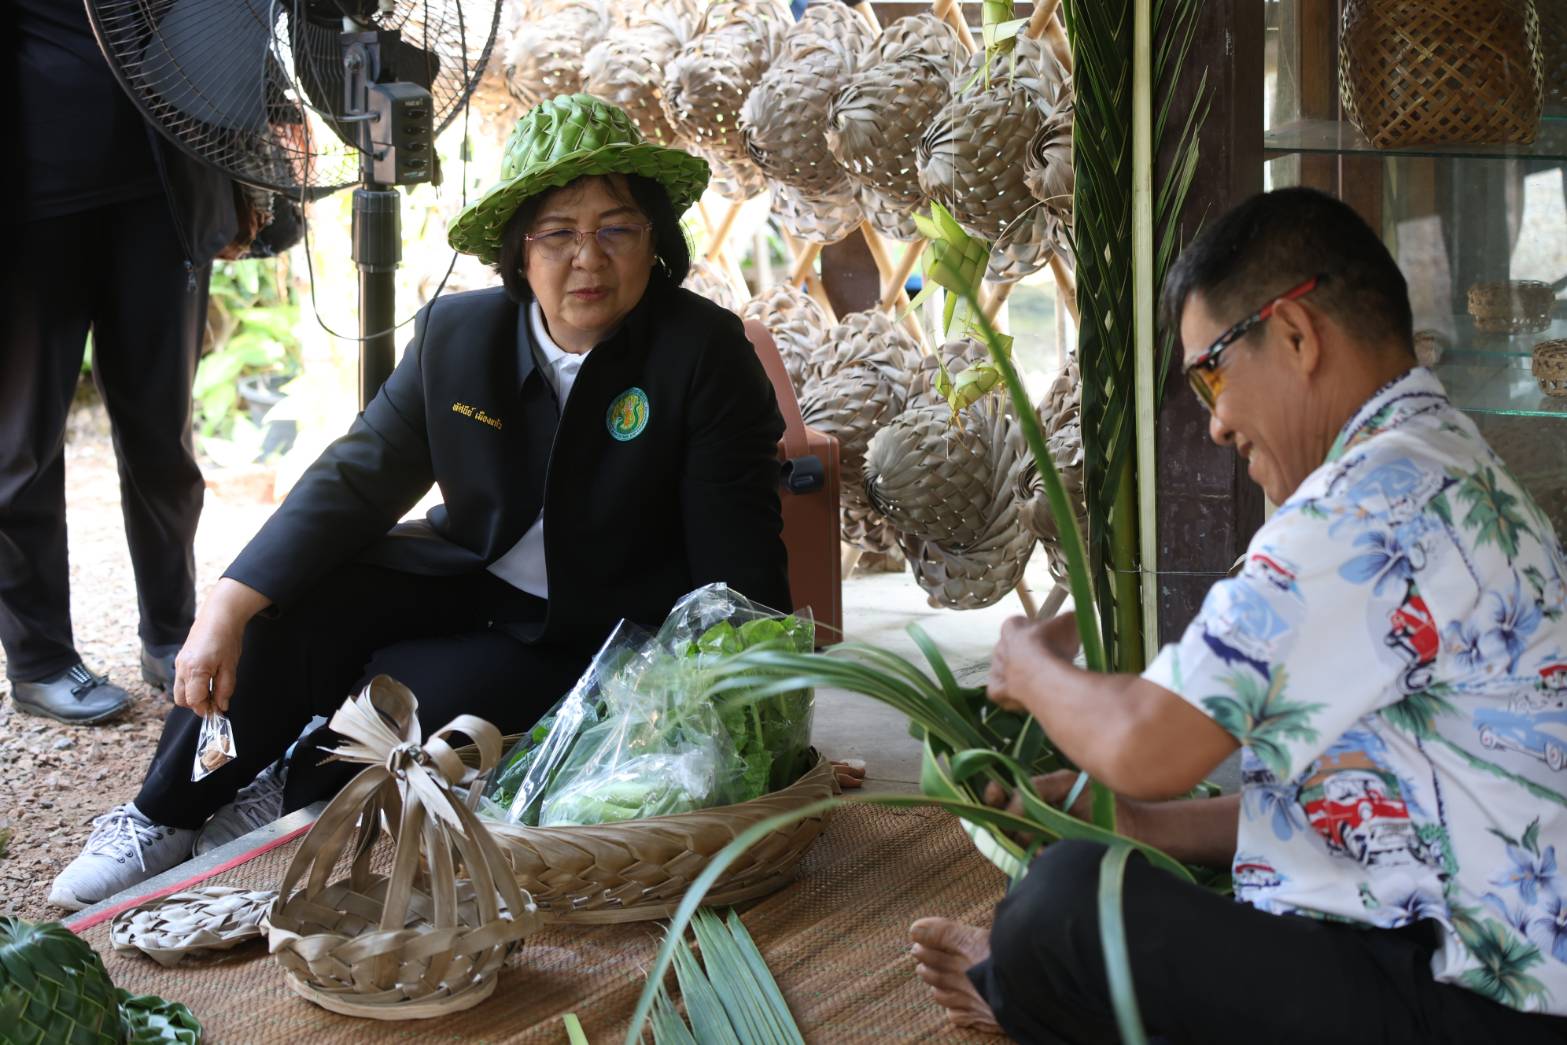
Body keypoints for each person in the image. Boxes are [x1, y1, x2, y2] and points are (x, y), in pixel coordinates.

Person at [49, 94, 791, 910]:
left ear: (656, 243)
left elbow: (738, 560)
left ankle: (290, 787)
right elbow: (358, 476)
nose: (589, 258)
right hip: (464, 572)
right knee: (283, 608)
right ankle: (162, 814)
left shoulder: (702, 354)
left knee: (416, 704)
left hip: (589, 628)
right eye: (558, 233)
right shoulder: (458, 335)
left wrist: (763, 724)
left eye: (617, 228)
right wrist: (226, 603)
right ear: (518, 251)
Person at [910, 188, 1567, 1042]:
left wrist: (1027, 664)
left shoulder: (1359, 510)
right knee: (1095, 876)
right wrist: (1135, 823)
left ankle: (1019, 982)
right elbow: (1366, 804)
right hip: (1491, 988)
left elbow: (1144, 746)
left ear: (1294, 334)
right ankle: (1021, 976)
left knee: (1062, 907)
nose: (1215, 422)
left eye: (1210, 371)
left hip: (1467, 1007)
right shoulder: (1448, 459)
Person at [3, 1, 238, 723]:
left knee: (162, 434)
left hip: (160, 192)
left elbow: (223, 25)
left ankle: (172, 633)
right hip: (26, 204)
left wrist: (237, 174)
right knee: (20, 447)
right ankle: (41, 660)